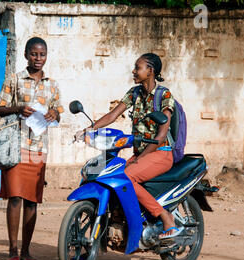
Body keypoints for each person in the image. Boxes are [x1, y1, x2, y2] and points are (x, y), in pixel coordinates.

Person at [76, 53, 181, 240]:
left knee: (126, 177)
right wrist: (88, 129)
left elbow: (161, 135)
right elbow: (112, 116)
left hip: (160, 152)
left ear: (150, 71)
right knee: (111, 175)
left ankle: (165, 216)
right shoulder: (134, 92)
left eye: (138, 68)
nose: (134, 71)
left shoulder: (163, 95)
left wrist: (140, 158)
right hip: (141, 153)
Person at [0, 37, 64, 260]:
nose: (38, 59)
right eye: (34, 54)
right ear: (26, 55)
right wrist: (18, 109)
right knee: (15, 198)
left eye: (42, 55)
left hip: (38, 149)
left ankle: (26, 250)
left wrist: (55, 114)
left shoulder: (52, 84)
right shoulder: (14, 79)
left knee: (32, 201)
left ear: (46, 56)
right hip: (16, 146)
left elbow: (58, 112)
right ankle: (13, 249)